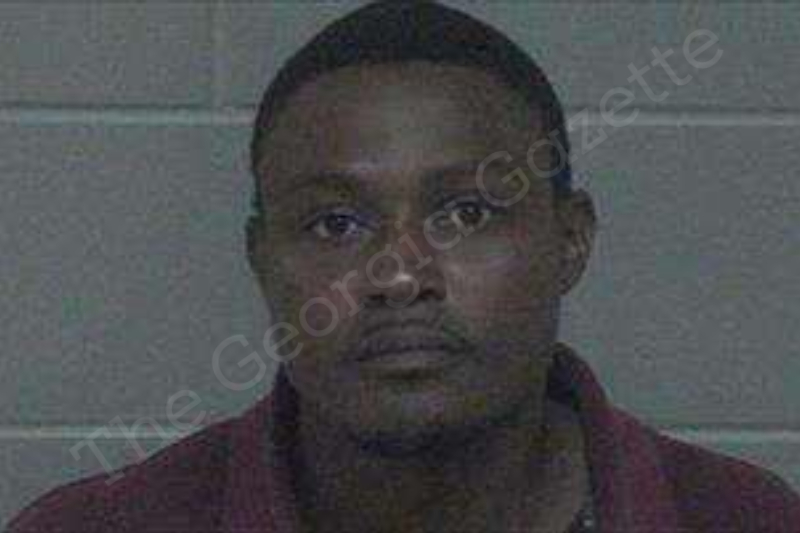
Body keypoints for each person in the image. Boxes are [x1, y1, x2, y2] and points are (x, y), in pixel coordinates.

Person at [7, 1, 800, 532]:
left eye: (466, 214)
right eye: (335, 222)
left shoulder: (742, 518)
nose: (398, 275)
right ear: (261, 259)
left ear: (570, 240)